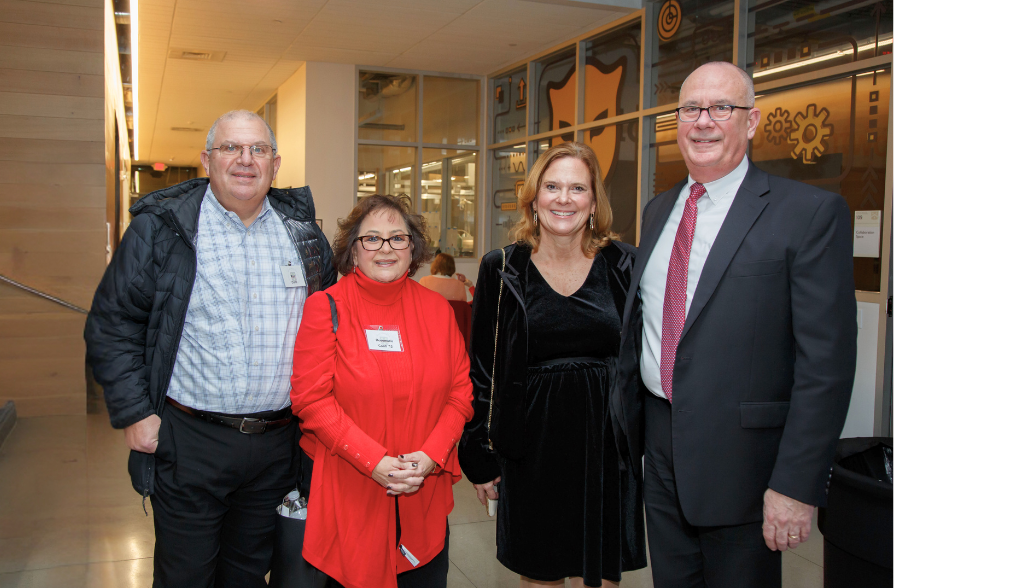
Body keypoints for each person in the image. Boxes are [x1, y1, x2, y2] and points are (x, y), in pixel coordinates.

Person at [83, 109, 336, 587]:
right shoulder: (163, 230)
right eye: (231, 148)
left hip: (275, 447)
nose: (246, 160)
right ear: (206, 159)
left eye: (258, 149)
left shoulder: (303, 236)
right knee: (186, 576)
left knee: (246, 574)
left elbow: (330, 327)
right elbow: (113, 323)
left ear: (276, 164)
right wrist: (136, 412)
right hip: (189, 440)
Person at [632, 61, 857, 587]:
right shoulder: (657, 210)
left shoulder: (807, 212)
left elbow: (825, 364)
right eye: (690, 108)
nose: (703, 121)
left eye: (721, 108)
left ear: (751, 122)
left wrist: (796, 485)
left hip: (748, 467)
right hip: (661, 451)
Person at [459, 142, 646, 588]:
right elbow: (483, 370)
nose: (564, 198)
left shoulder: (625, 264)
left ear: (594, 200)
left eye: (577, 187)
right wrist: (482, 455)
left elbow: (642, 360)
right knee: (539, 572)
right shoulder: (502, 268)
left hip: (606, 447)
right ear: (534, 197)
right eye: (553, 186)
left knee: (598, 574)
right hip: (531, 446)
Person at [290, 194, 474, 588]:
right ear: (353, 251)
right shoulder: (326, 308)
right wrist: (373, 460)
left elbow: (460, 393)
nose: (385, 249)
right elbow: (312, 400)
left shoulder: (437, 310)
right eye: (372, 239)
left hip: (420, 487)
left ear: (414, 248)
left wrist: (430, 456)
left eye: (398, 238)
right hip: (350, 488)